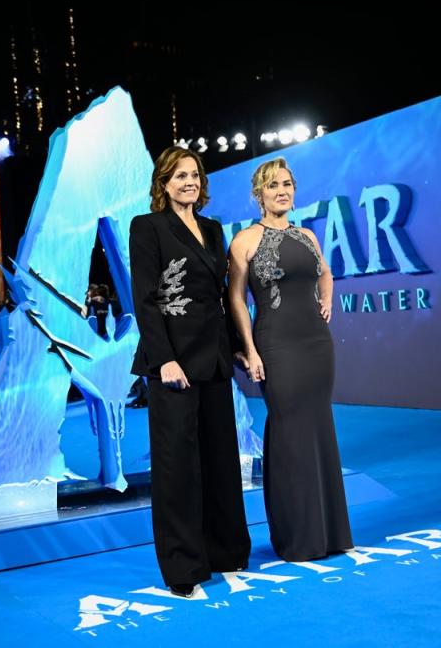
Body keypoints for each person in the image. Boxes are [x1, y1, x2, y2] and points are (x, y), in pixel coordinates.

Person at [129, 146, 250, 597]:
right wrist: (163, 359)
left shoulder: (215, 230)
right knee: (177, 467)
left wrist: (237, 348)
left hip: (215, 358)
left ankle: (227, 551)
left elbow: (220, 296)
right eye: (179, 176)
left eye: (195, 175)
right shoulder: (147, 227)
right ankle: (183, 566)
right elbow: (145, 298)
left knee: (220, 459)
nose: (189, 182)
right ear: (163, 183)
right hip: (173, 362)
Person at [228, 156, 354, 562]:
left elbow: (326, 273)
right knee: (288, 432)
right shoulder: (245, 240)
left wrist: (328, 300)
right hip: (276, 345)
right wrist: (249, 350)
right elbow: (235, 298)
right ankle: (297, 535)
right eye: (272, 185)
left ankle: (329, 532)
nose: (281, 191)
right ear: (258, 194)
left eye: (286, 184)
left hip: (317, 345)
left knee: (319, 430)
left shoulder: (307, 237)